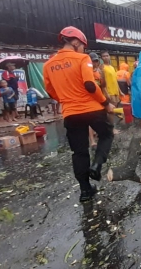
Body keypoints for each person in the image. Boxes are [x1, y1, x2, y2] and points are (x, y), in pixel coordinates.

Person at [44, 26, 116, 202]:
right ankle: (97, 165)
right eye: (83, 45)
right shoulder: (83, 59)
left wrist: (67, 100)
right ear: (75, 42)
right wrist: (106, 104)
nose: (84, 49)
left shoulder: (48, 65)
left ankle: (85, 191)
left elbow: (51, 92)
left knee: (79, 151)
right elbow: (90, 85)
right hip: (92, 109)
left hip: (70, 113)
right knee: (106, 135)